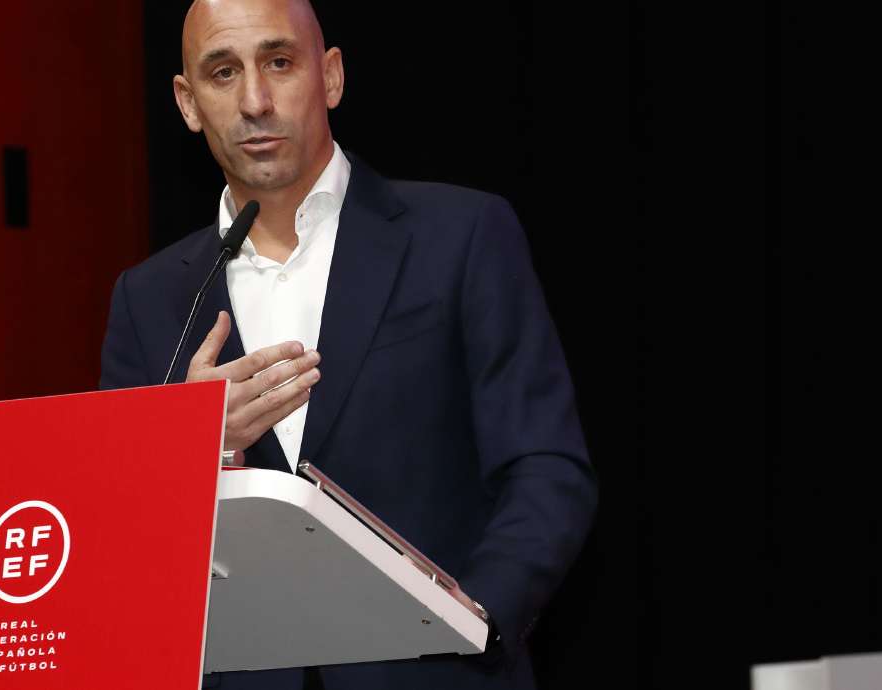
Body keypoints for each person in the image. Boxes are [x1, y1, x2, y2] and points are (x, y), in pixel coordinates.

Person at [99, 1, 597, 689]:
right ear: (188, 102)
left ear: (329, 77)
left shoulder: (461, 236)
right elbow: (115, 530)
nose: (254, 100)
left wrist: (473, 621)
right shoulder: (148, 299)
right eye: (222, 72)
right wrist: (191, 440)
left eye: (279, 62)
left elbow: (547, 468)